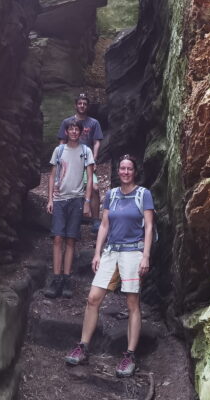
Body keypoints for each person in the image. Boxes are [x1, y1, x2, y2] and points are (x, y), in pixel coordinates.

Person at [65, 154, 154, 378]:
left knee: (133, 302)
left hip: (133, 252)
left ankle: (130, 355)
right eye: (122, 168)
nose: (125, 172)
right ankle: (83, 346)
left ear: (135, 171)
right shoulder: (112, 195)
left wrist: (146, 256)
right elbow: (104, 225)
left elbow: (149, 227)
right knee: (93, 298)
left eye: (129, 169)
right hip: (111, 251)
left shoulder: (144, 194)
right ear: (119, 171)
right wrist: (97, 253)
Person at [44, 120, 95, 299]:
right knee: (58, 238)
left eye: (76, 129)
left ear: (80, 133)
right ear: (66, 131)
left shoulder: (85, 151)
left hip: (76, 199)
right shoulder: (59, 151)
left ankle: (67, 279)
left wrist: (87, 201)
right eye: (71, 129)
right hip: (59, 199)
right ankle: (56, 278)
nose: (73, 132)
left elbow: (89, 176)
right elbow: (51, 176)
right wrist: (50, 199)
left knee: (71, 240)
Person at [58, 92, 103, 229]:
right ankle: (69, 219)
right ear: (75, 105)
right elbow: (62, 142)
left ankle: (95, 220)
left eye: (84, 104)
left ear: (87, 106)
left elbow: (96, 142)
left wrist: (94, 159)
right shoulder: (67, 122)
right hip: (70, 161)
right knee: (67, 188)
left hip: (86, 161)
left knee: (94, 188)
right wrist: (60, 161)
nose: (82, 106)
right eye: (80, 103)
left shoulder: (93, 123)